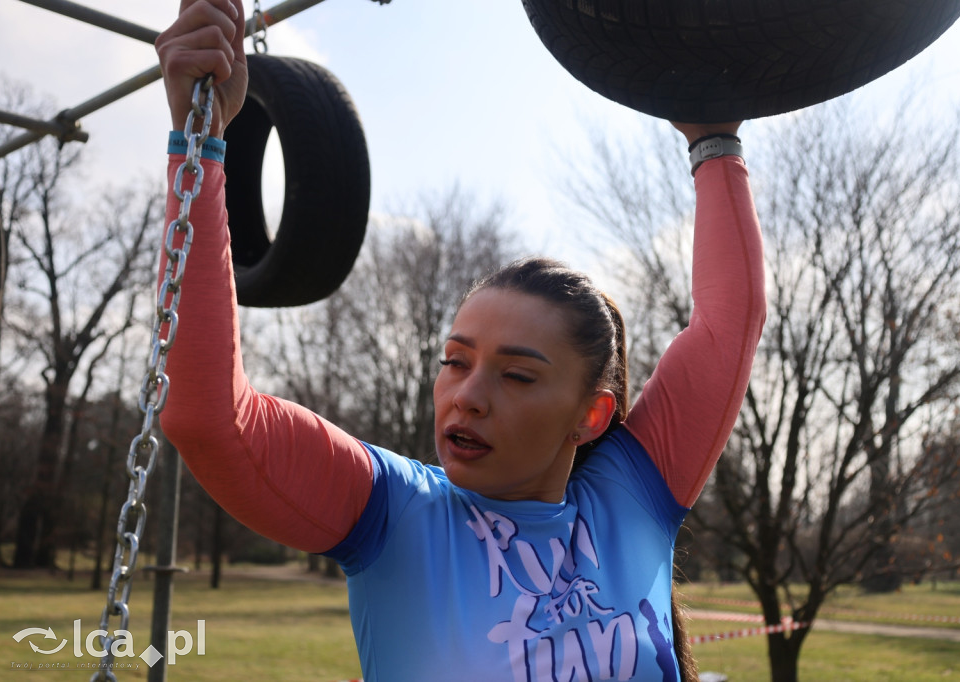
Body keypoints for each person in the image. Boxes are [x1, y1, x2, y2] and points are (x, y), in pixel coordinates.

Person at [155, 1, 766, 680]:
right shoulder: (394, 512)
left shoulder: (634, 496)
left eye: (517, 375)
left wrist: (714, 139)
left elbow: (726, 324)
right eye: (455, 361)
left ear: (590, 415)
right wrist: (201, 143)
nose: (467, 396)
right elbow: (209, 418)